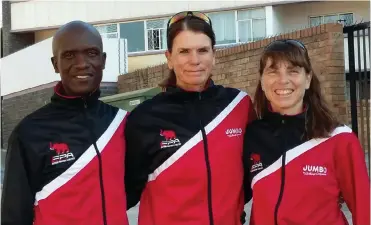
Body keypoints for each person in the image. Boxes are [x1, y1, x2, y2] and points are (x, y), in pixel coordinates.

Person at [124, 11, 256, 225]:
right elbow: (124, 192)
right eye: (184, 51)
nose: (194, 60)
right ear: (169, 58)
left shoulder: (239, 105)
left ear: (214, 54)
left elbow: (253, 173)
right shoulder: (145, 118)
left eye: (202, 50)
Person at [1, 21, 129, 225]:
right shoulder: (29, 133)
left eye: (91, 53)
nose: (81, 63)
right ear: (55, 64)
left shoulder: (121, 123)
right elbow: (14, 216)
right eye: (69, 55)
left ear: (103, 60)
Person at [243, 39, 370, 225]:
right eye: (273, 71)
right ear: (262, 81)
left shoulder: (338, 138)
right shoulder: (252, 135)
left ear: (308, 79)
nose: (283, 80)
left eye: (293, 71)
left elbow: (364, 209)